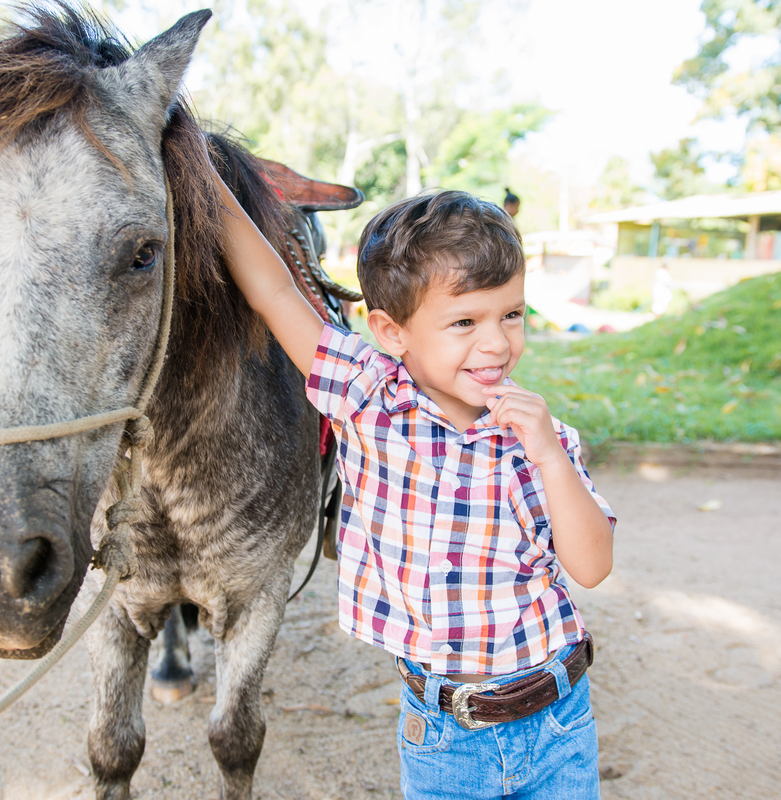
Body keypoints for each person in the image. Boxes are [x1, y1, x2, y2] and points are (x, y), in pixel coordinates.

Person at [209, 166, 616, 799]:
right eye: (464, 323)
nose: (497, 343)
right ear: (391, 333)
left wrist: (550, 459)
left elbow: (591, 567)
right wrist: (196, 167)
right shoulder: (369, 397)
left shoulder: (544, 437)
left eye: (511, 314)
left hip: (560, 723)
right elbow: (274, 293)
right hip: (445, 739)